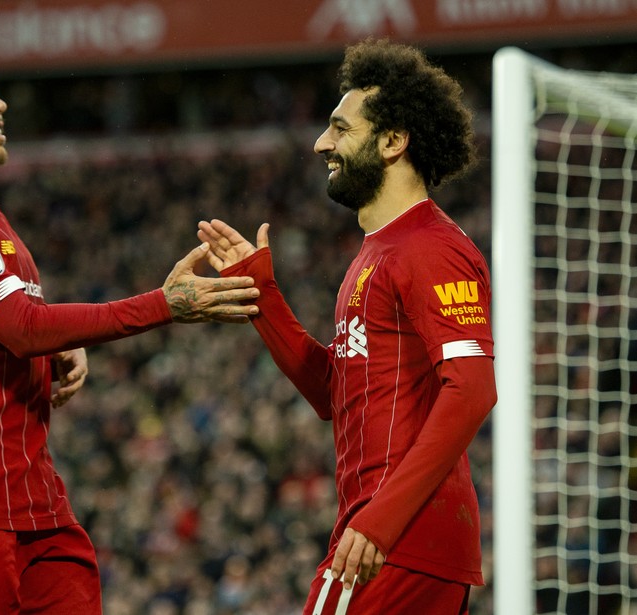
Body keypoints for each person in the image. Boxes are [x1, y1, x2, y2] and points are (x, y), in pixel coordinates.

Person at [0, 33, 259, 614]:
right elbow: (21, 325)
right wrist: (164, 304)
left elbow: (17, 326)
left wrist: (55, 348)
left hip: (32, 500)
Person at [198, 39, 497, 614]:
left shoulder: (432, 248)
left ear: (392, 141)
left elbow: (473, 387)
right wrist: (260, 295)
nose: (320, 143)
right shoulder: (375, 254)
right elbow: (333, 393)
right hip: (393, 537)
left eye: (340, 127)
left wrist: (379, 523)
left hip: (396, 539)